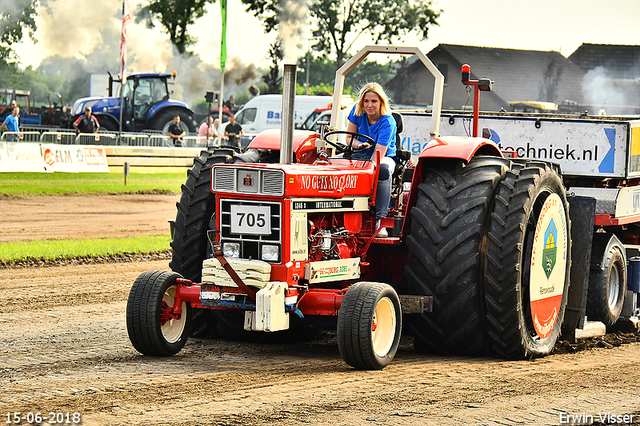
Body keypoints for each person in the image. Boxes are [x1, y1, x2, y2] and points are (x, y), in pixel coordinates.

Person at [346, 82, 397, 238]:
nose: (369, 105)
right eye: (366, 101)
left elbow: (378, 155)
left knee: (382, 170)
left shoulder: (387, 122)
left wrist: (365, 169)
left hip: (384, 157)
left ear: (381, 102)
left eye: (374, 101)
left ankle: (380, 221)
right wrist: (360, 144)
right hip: (361, 153)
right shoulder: (356, 111)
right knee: (338, 165)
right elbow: (349, 139)